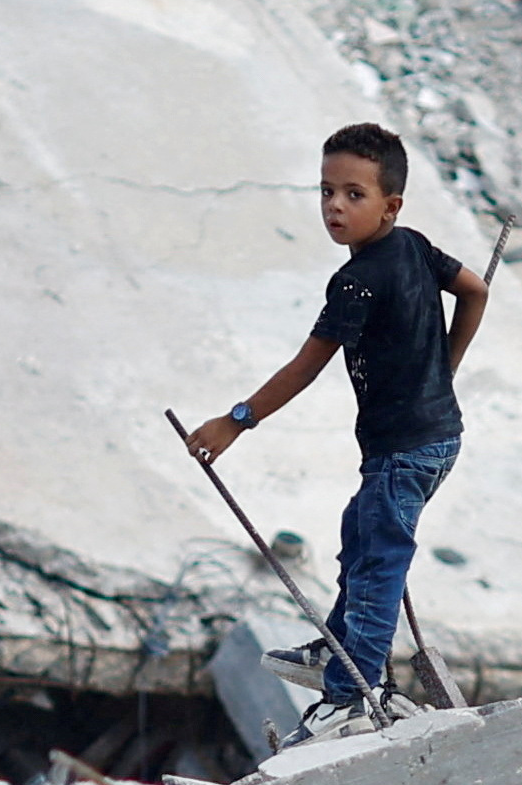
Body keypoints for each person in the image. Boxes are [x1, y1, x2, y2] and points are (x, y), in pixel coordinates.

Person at [188, 122, 488, 715]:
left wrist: (236, 419)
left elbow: (305, 367)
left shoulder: (357, 281)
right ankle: (339, 651)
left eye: (354, 195)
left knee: (379, 564)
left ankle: (353, 695)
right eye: (326, 191)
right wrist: (442, 369)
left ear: (390, 205)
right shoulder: (416, 246)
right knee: (361, 535)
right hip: (436, 437)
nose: (334, 206)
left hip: (404, 450)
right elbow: (476, 291)